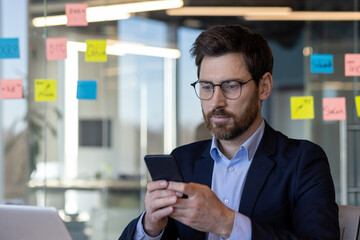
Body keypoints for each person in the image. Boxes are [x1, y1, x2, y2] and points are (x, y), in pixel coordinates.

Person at [119, 25, 340, 240]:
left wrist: (226, 222)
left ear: (264, 87)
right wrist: (150, 226)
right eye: (206, 86)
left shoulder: (303, 161)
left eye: (231, 85)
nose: (216, 101)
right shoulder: (183, 160)